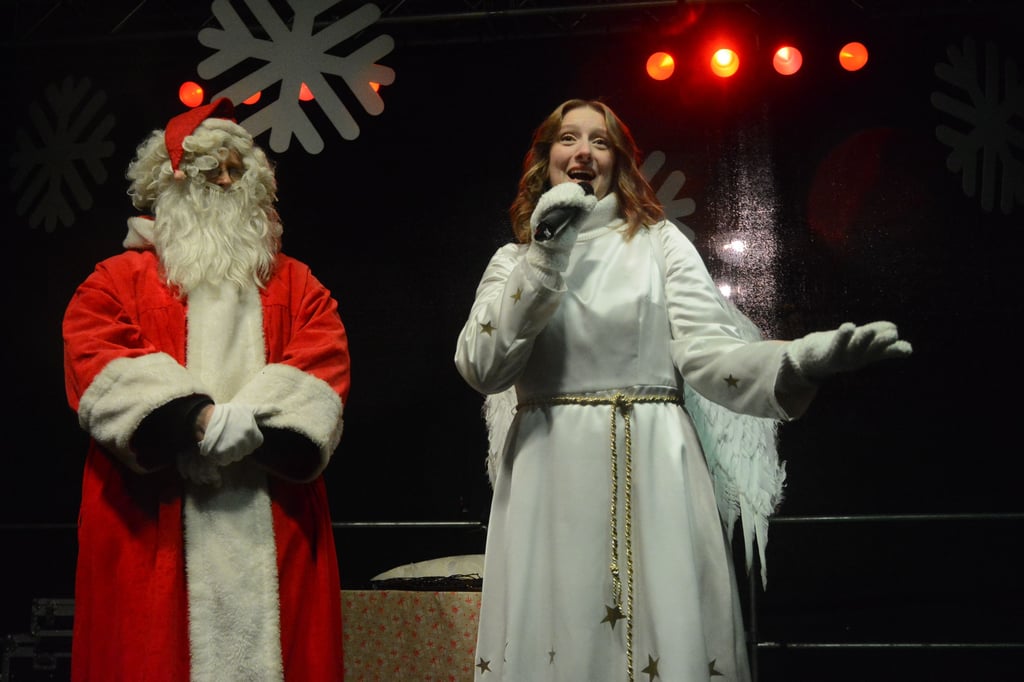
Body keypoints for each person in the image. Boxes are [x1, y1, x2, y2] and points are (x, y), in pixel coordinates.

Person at [454, 98, 912, 682]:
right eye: (569, 138)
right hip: (551, 471)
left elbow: (708, 351)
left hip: (652, 466)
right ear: (546, 160)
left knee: (663, 627)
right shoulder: (513, 262)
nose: (584, 151)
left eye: (601, 141)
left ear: (618, 162)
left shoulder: (659, 244)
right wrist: (544, 257)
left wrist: (794, 363)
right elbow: (481, 366)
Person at [62, 98, 350, 681]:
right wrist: (194, 420)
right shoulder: (114, 281)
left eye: (235, 169)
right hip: (153, 524)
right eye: (206, 169)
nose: (222, 180)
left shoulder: (296, 283)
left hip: (273, 518)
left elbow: (324, 364)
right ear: (166, 184)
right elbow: (96, 357)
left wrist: (247, 427)